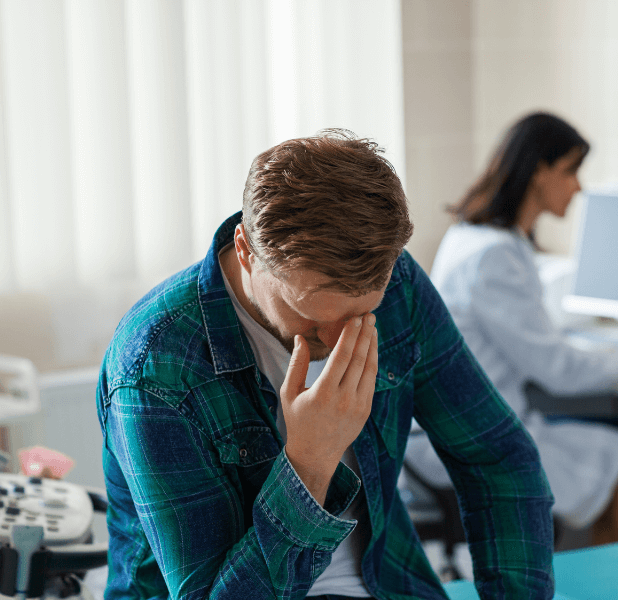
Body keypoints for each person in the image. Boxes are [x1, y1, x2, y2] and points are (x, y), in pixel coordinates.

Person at [96, 130, 555, 599]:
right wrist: (309, 465)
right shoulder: (154, 371)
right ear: (247, 252)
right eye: (312, 314)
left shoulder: (398, 285)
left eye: (362, 313)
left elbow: (497, 457)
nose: (339, 342)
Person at [405, 112, 618, 545]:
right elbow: (558, 370)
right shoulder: (495, 254)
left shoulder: (474, 236)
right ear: (537, 171)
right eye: (571, 171)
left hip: (454, 429)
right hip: (472, 442)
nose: (578, 186)